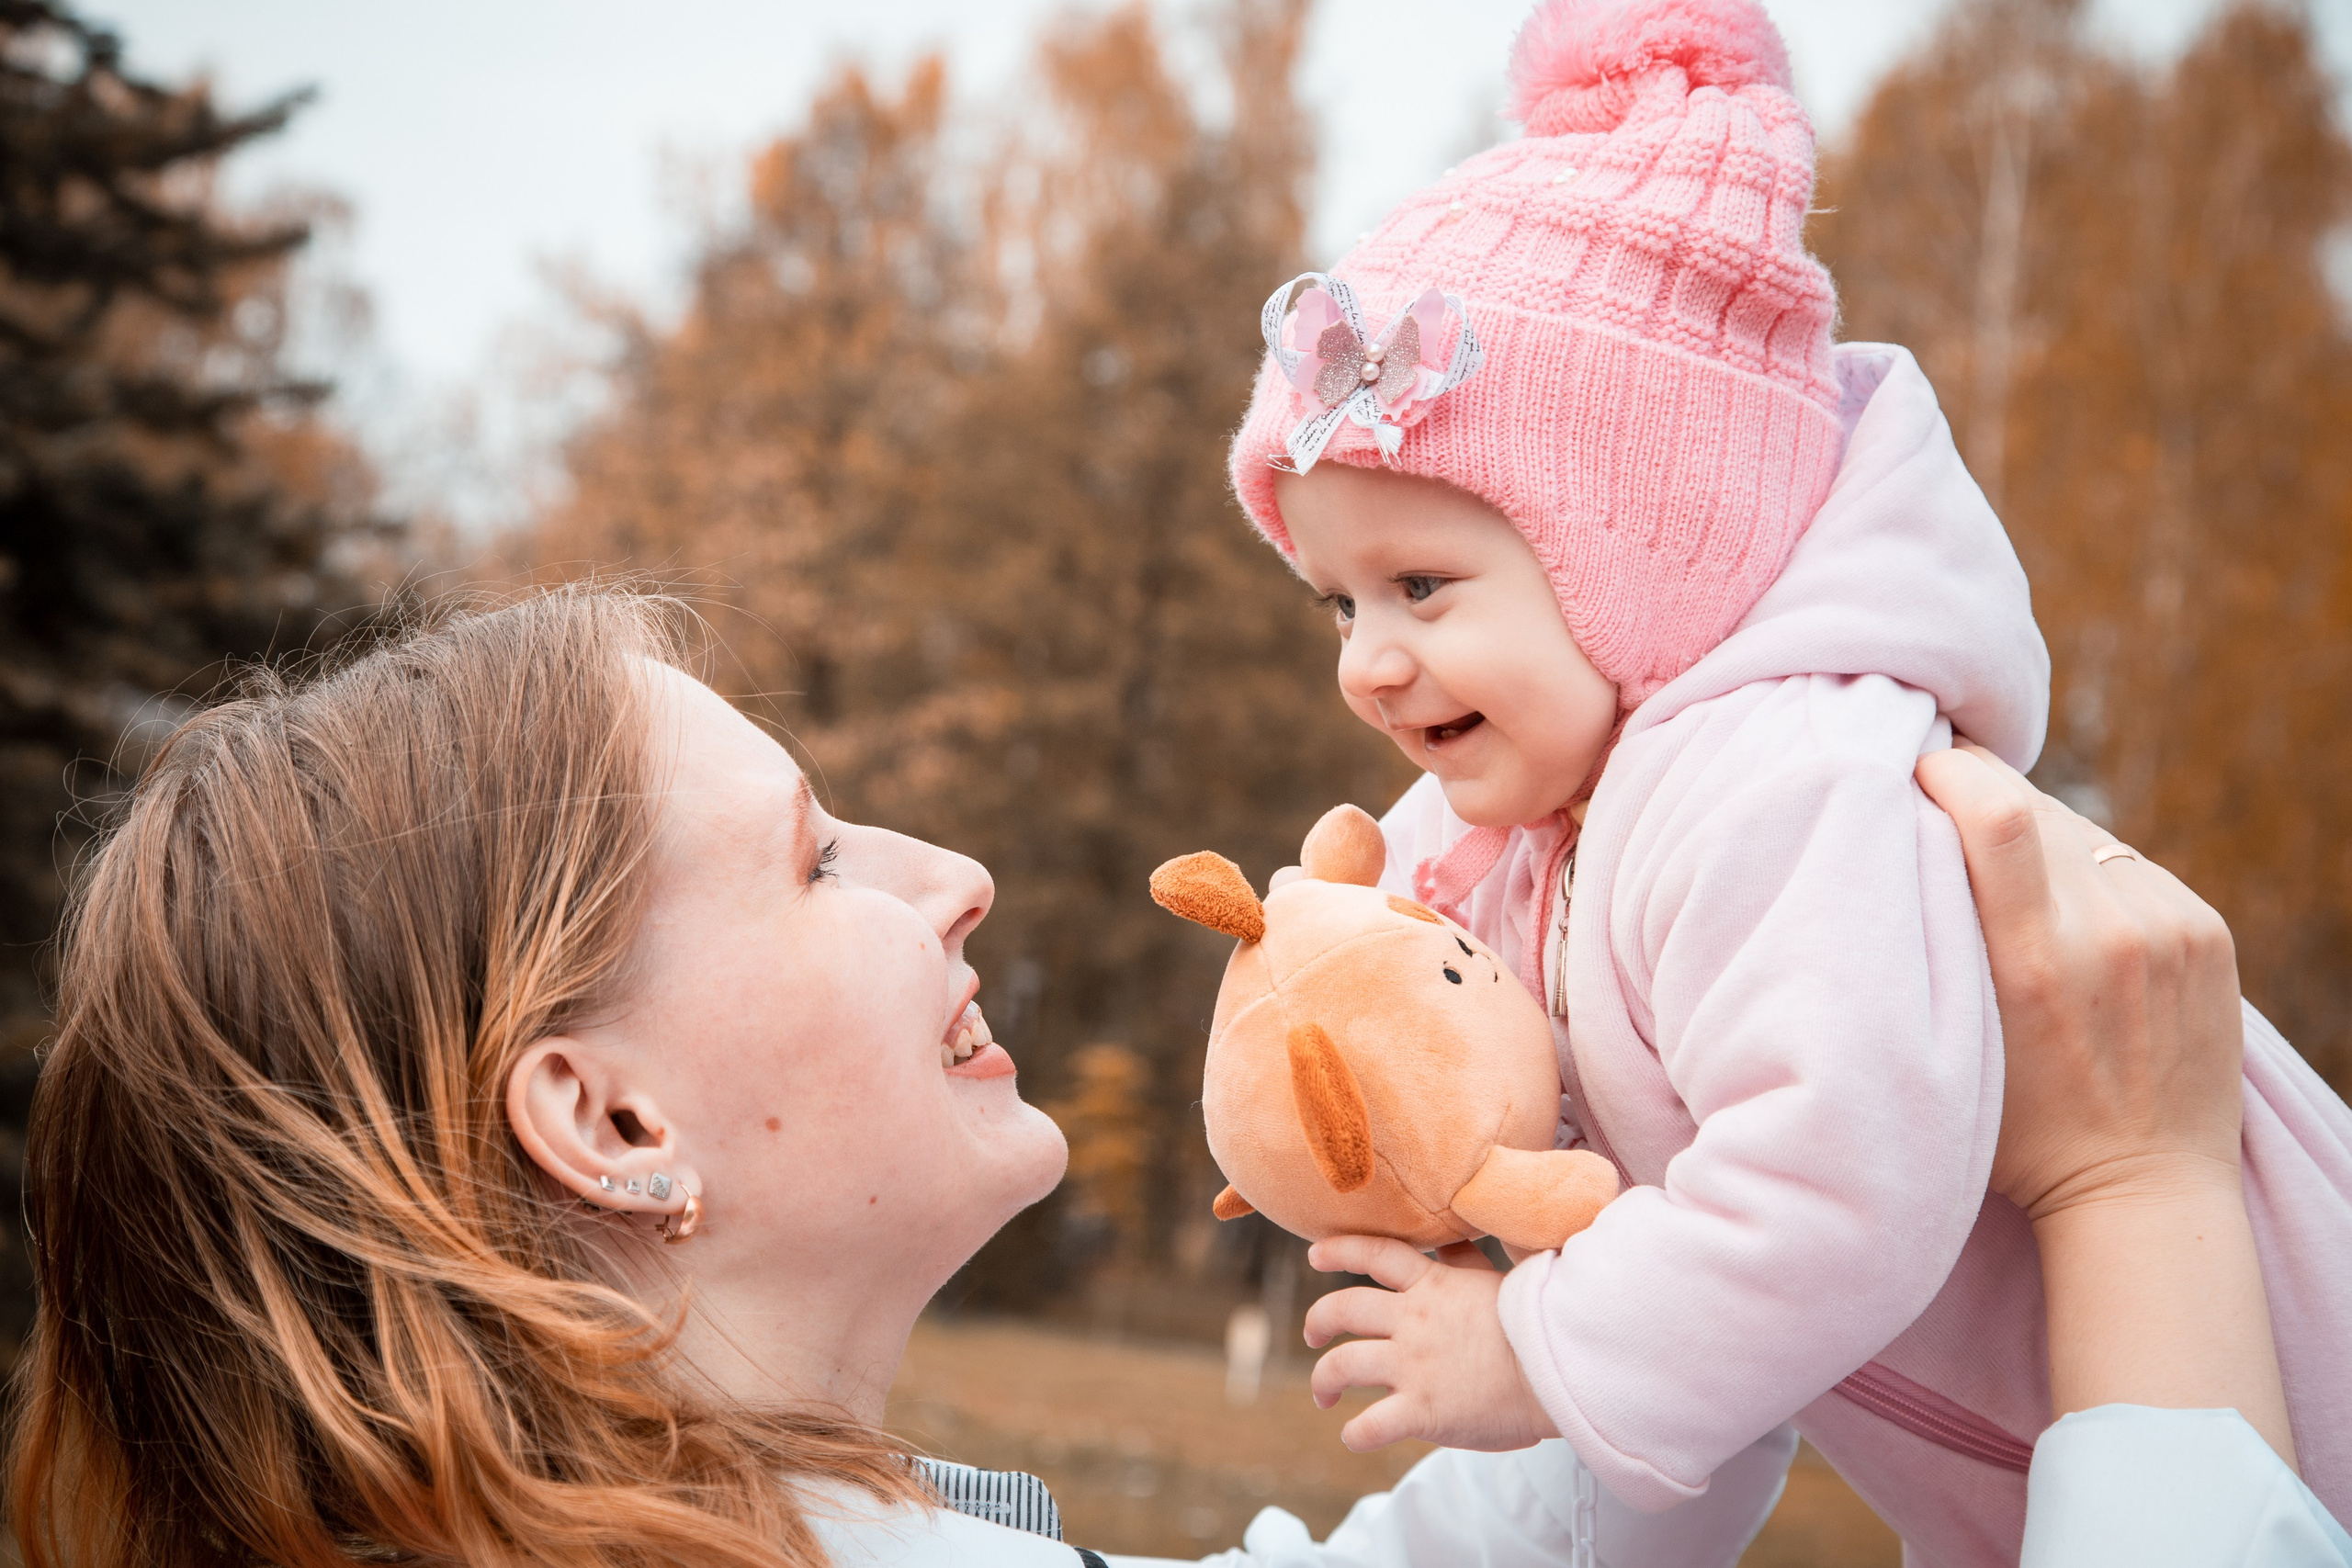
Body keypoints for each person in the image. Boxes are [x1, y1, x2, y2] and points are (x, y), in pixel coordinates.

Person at [1222, 0, 2352, 1559]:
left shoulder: (1771, 784)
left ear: (1643, 551)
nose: (1367, 660)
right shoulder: (1548, 832)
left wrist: (1539, 1348)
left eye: (1423, 585)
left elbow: (1837, 1189)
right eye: (1339, 602)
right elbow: (1722, 1375)